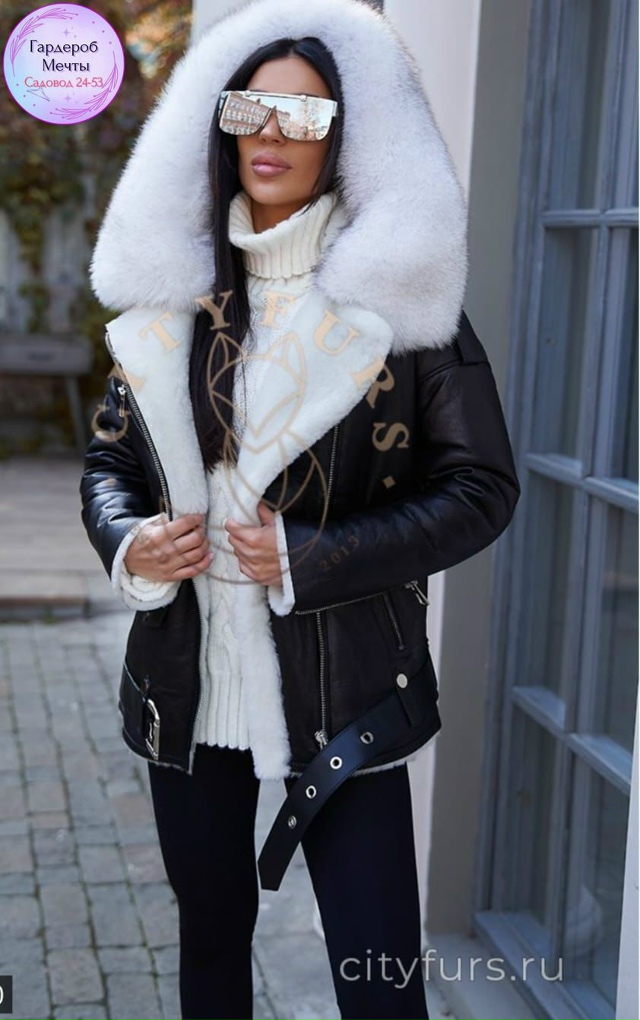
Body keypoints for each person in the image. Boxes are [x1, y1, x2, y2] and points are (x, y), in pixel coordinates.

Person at [79, 1, 521, 1017]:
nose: (272, 135)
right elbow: (110, 462)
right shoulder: (174, 298)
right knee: (209, 950)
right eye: (251, 110)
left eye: (305, 116)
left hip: (349, 688)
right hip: (188, 684)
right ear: (222, 123)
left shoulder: (402, 306)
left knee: (377, 975)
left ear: (343, 140)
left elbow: (482, 489)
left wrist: (314, 554)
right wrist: (131, 541)